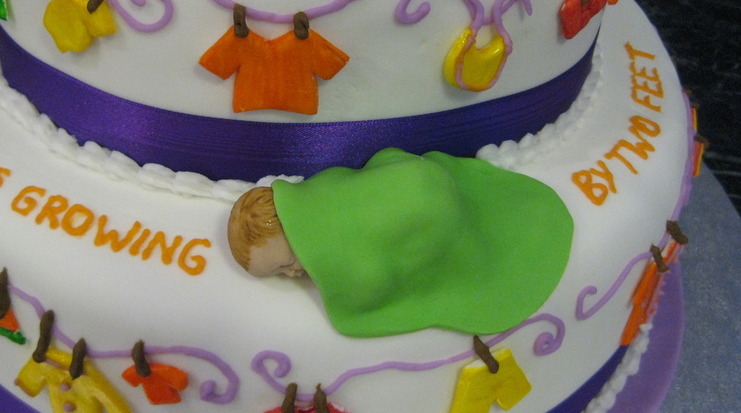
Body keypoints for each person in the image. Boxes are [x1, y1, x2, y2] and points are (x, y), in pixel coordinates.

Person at [227, 148, 573, 338]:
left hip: (431, 207)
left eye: (286, 264)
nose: (292, 274)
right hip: (415, 174)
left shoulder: (345, 255)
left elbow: (367, 287)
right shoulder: (316, 191)